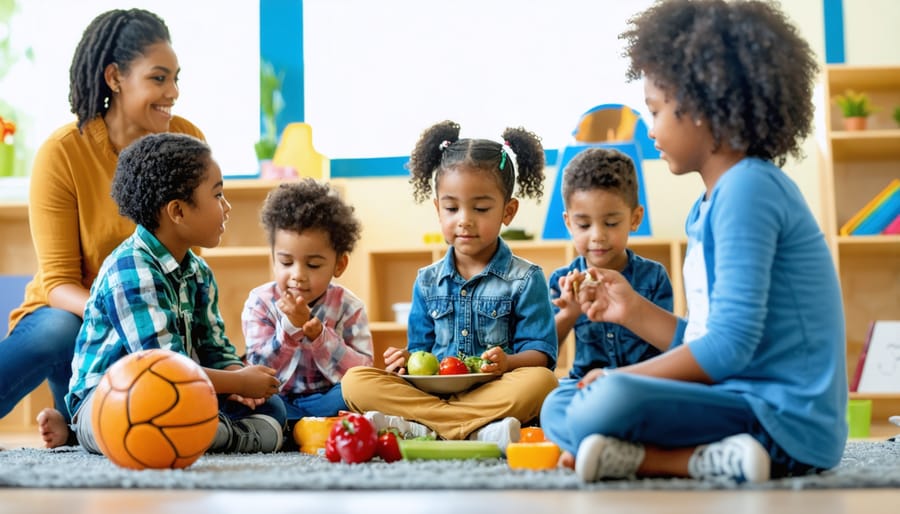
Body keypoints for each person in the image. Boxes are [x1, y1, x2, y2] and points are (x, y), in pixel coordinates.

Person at [540, 0, 846, 484]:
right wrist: (633, 310)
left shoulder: (749, 189)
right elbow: (712, 344)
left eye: (657, 110)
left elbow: (728, 352)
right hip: (741, 397)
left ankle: (653, 457)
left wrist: (622, 379)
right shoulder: (710, 204)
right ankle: (699, 458)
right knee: (560, 398)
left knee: (603, 399)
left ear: (706, 106)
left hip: (787, 418)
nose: (650, 127)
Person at [0, 9, 205, 444]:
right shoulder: (63, 153)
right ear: (115, 77)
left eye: (176, 78)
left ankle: (77, 425)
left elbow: (188, 266)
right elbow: (58, 284)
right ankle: (80, 418)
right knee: (58, 328)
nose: (173, 92)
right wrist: (125, 308)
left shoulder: (186, 142)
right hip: (77, 322)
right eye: (159, 78)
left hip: (149, 325)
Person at [43, 133, 286, 454]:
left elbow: (215, 348)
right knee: (152, 413)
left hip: (178, 389)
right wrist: (240, 382)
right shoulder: (131, 269)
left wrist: (240, 380)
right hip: (112, 398)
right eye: (218, 195)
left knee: (273, 409)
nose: (226, 207)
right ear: (178, 211)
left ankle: (213, 433)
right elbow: (163, 369)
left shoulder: (198, 271)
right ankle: (80, 431)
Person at [340, 120, 560, 453]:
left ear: (508, 211)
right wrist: (404, 359)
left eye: (481, 208)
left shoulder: (525, 278)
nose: (464, 220)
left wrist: (508, 363)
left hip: (494, 389)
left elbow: (541, 357)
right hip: (435, 392)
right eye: (452, 208)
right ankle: (474, 430)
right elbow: (421, 352)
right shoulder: (427, 280)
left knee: (542, 383)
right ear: (437, 209)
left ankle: (424, 427)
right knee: (355, 381)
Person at [243, 179, 373, 433]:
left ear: (339, 265)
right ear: (273, 258)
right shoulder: (259, 302)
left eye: (313, 265)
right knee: (247, 398)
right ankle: (300, 425)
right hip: (278, 398)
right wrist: (290, 328)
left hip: (327, 399)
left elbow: (362, 372)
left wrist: (319, 335)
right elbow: (258, 366)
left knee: (366, 390)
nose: (298, 275)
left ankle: (288, 430)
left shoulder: (350, 306)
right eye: (286, 262)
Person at [548, 147, 673, 380]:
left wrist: (633, 311)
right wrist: (569, 313)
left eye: (612, 223)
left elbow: (671, 346)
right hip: (584, 381)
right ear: (569, 223)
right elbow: (545, 353)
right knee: (551, 398)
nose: (597, 236)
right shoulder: (562, 280)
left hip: (643, 381)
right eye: (584, 225)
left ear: (634, 219)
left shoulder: (653, 276)